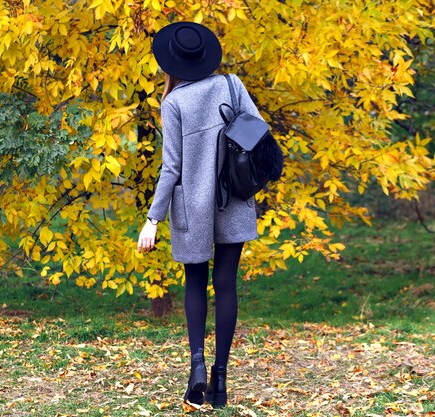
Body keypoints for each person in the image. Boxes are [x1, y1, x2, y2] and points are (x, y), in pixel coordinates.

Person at [136, 21, 264, 408]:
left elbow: (171, 168)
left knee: (195, 283)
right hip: (235, 198)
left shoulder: (173, 104)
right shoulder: (231, 85)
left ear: (170, 64)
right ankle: (220, 383)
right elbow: (257, 130)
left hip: (192, 205)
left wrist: (152, 219)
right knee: (226, 283)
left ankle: (197, 370)